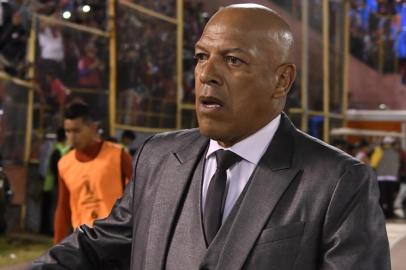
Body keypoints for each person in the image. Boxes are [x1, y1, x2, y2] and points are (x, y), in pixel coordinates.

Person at [31, 4, 390, 269]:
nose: (207, 74)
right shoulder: (158, 156)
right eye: (202, 57)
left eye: (233, 60)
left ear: (282, 80)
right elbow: (99, 247)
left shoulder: (339, 182)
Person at [52, 101, 133, 244]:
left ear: (93, 128)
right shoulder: (64, 164)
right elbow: (63, 208)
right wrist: (57, 246)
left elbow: (141, 192)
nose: (71, 137)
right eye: (68, 131)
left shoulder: (117, 155)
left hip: (116, 239)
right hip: (83, 242)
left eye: (76, 131)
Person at [39, 127, 70, 235]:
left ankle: (50, 230)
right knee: (55, 208)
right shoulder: (60, 150)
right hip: (56, 184)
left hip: (51, 183)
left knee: (50, 208)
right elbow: (55, 168)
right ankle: (52, 230)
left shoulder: (54, 148)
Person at [370, 136, 400, 218]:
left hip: (381, 177)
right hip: (392, 177)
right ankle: (390, 213)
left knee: (382, 197)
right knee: (390, 197)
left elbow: (373, 164)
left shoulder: (379, 152)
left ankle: (382, 214)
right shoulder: (396, 153)